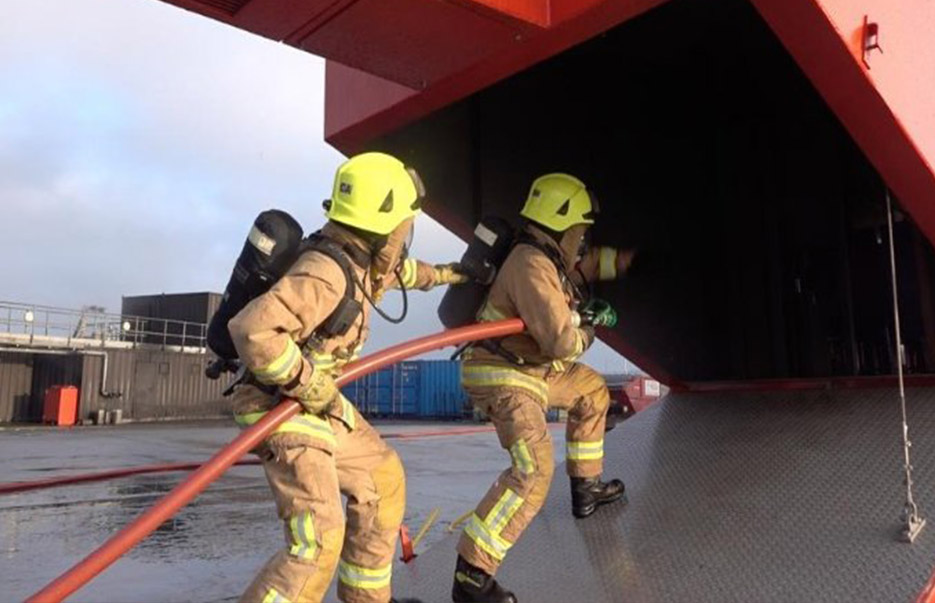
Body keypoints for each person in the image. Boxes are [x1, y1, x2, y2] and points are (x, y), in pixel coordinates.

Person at [228, 152, 466, 603]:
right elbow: (253, 330)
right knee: (318, 540)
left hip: (313, 403)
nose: (405, 234)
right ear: (384, 225)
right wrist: (306, 381)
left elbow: (401, 273)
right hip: (280, 405)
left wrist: (446, 275)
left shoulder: (360, 260)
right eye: (404, 225)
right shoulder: (326, 274)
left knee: (383, 480)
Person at [453, 173, 634, 603]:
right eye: (580, 232)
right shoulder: (531, 264)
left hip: (529, 369)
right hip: (504, 374)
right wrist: (590, 326)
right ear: (562, 226)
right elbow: (562, 344)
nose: (583, 241)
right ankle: (472, 578)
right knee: (533, 469)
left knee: (592, 391)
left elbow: (581, 279)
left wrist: (626, 265)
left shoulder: (547, 261)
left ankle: (586, 489)